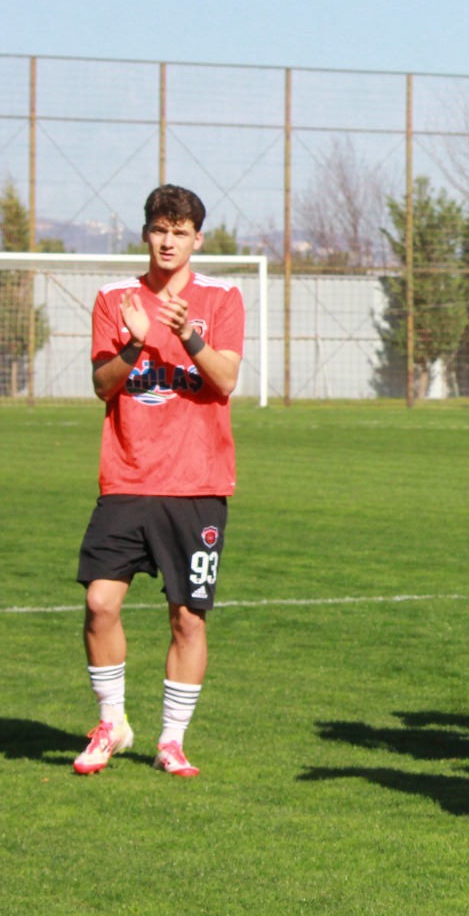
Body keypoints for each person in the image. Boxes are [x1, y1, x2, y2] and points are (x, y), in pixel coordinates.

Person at [73, 184, 245, 778]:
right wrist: (138, 340)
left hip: (197, 485)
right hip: (126, 477)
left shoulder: (222, 298)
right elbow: (102, 384)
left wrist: (188, 335)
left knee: (188, 617)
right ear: (146, 234)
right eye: (159, 229)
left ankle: (172, 740)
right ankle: (112, 722)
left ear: (198, 238)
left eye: (180, 231)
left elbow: (225, 381)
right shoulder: (114, 298)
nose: (168, 241)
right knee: (99, 602)